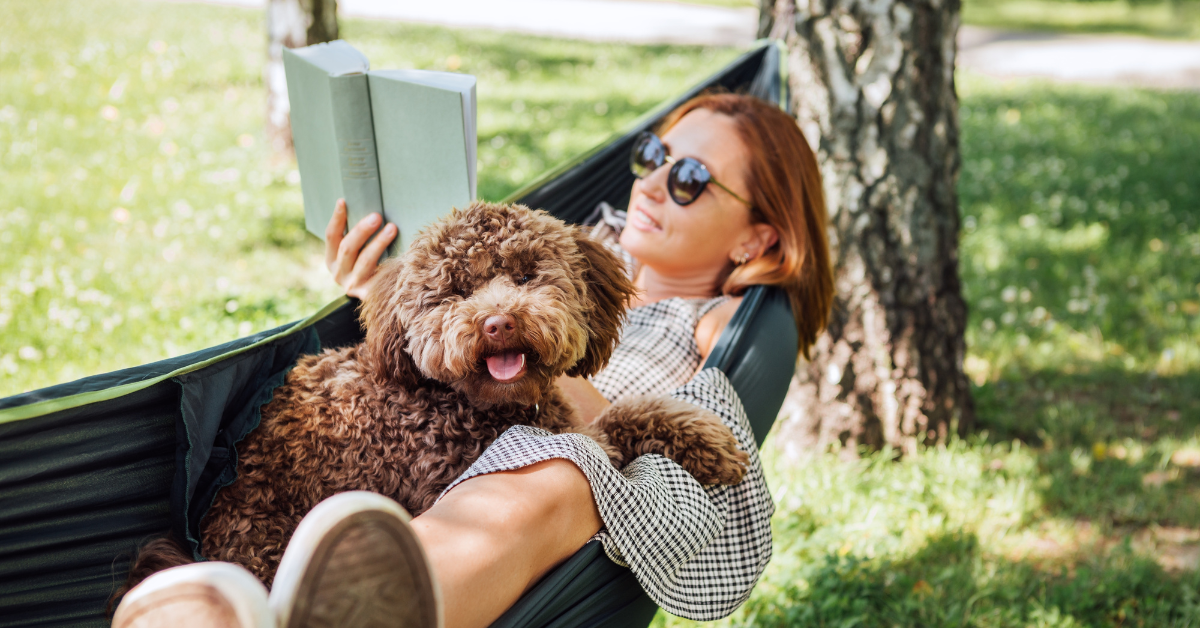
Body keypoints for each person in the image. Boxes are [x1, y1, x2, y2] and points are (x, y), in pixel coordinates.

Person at [116, 93, 833, 628]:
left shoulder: (719, 322)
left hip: (561, 468)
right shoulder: (565, 238)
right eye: (653, 155)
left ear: (758, 243)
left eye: (690, 179)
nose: (651, 182)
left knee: (547, 475)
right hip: (402, 453)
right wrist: (379, 289)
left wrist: (576, 395)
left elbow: (704, 433)